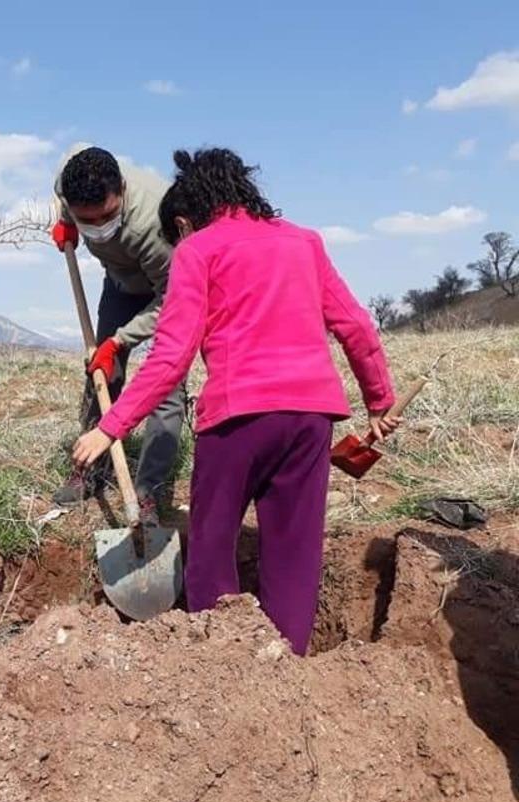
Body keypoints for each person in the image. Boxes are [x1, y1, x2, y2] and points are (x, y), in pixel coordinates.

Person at [72, 148, 400, 655]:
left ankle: (222, 666)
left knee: (210, 546)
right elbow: (355, 325)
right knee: (294, 552)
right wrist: (379, 401)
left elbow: (171, 357)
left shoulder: (197, 250)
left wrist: (110, 425)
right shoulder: (305, 242)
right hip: (311, 420)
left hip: (236, 422)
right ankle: (286, 663)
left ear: (183, 221)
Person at [51, 146, 186, 523]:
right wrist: (67, 222)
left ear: (122, 190)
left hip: (168, 291)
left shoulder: (156, 224)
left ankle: (148, 492)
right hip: (121, 284)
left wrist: (120, 340)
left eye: (107, 216)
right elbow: (68, 199)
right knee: (100, 373)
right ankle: (90, 471)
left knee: (166, 389)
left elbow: (171, 301)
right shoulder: (68, 180)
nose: (98, 226)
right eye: (86, 220)